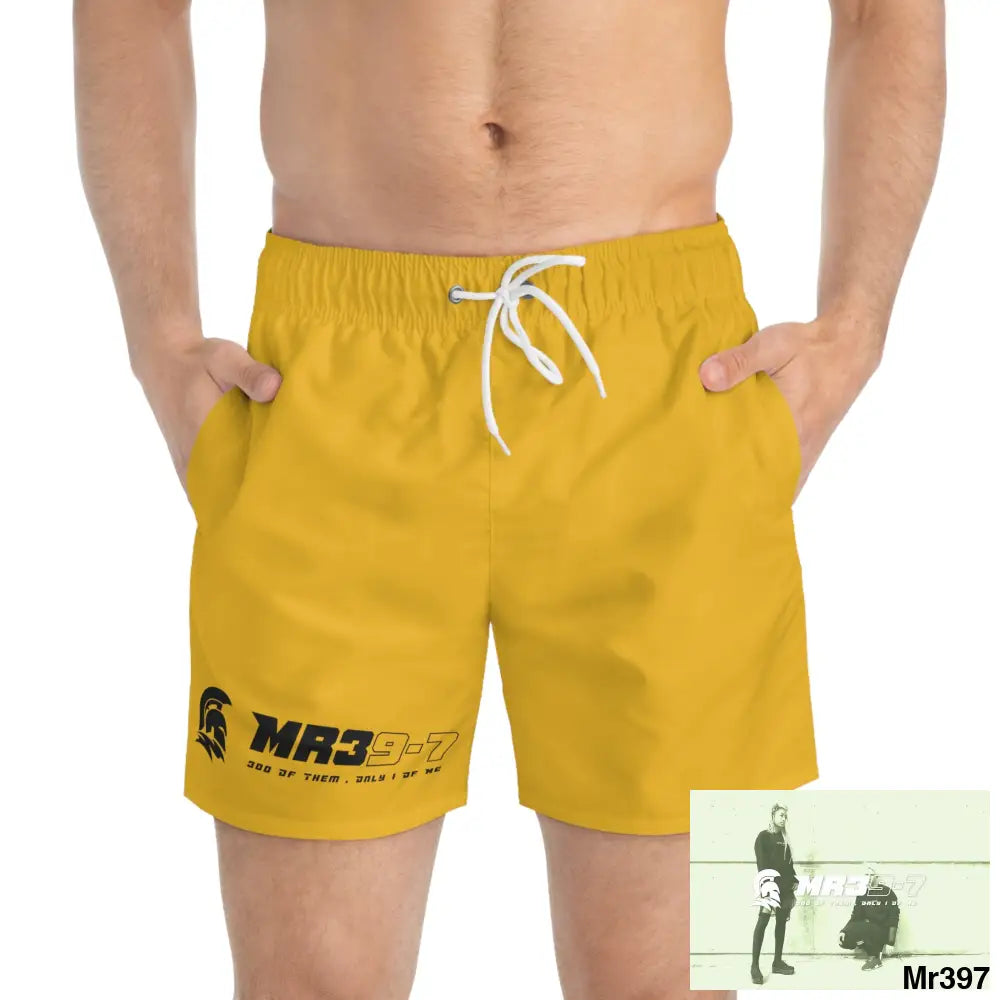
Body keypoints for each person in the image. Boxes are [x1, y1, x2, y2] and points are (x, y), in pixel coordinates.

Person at [73, 2, 945, 997]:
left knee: (669, 985)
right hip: (335, 378)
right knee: (309, 983)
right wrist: (158, 334)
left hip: (662, 375)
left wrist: (857, 323)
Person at [751, 804, 798, 984]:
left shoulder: (784, 839)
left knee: (781, 923)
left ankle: (777, 962)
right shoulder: (763, 837)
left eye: (785, 816)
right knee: (762, 922)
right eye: (781, 815)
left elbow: (789, 865)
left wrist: (794, 879)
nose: (783, 818)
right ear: (772, 815)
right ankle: (754, 966)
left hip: (785, 888)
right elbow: (761, 865)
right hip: (770, 886)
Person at [839, 863, 900, 971]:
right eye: (866, 875)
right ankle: (870, 949)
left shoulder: (887, 892)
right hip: (868, 930)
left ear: (876, 877)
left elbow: (893, 917)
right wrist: (844, 931)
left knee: (866, 927)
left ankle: (875, 957)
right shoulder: (862, 894)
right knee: (845, 939)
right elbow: (855, 917)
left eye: (871, 875)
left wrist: (891, 942)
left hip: (882, 931)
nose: (868, 877)